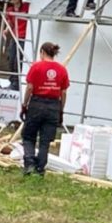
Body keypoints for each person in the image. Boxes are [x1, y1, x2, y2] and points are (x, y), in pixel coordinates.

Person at [20, 42, 70, 177]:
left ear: (42, 52)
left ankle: (29, 163)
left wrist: (25, 104)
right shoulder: (62, 69)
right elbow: (63, 92)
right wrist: (61, 110)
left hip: (37, 103)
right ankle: (40, 168)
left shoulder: (36, 67)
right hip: (53, 106)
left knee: (28, 136)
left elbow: (30, 87)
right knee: (45, 140)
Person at [3, 0, 29, 90]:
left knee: (18, 61)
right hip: (15, 37)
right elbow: (10, 22)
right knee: (11, 59)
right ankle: (12, 82)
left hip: (23, 37)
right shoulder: (10, 10)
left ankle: (16, 83)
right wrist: (6, 30)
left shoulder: (26, 7)